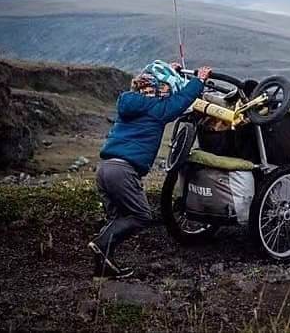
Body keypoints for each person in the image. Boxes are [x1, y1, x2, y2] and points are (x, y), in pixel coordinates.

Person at [88, 60, 211, 278]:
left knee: (118, 218)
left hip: (105, 169)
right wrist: (198, 81)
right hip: (123, 171)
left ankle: (104, 267)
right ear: (156, 90)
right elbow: (181, 101)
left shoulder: (129, 103)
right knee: (141, 215)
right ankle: (100, 243)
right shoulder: (156, 109)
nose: (165, 93)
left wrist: (170, 73)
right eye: (163, 89)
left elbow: (159, 92)